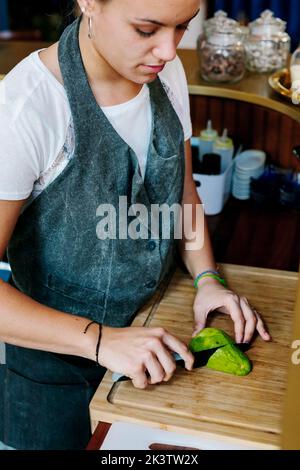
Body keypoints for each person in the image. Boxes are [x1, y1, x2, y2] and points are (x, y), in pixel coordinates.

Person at [0, 0, 270, 450]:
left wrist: (207, 277)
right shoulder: (25, 111)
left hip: (160, 331)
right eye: (147, 29)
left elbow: (183, 193)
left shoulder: (166, 73)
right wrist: (101, 341)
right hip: (57, 374)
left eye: (181, 27)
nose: (167, 50)